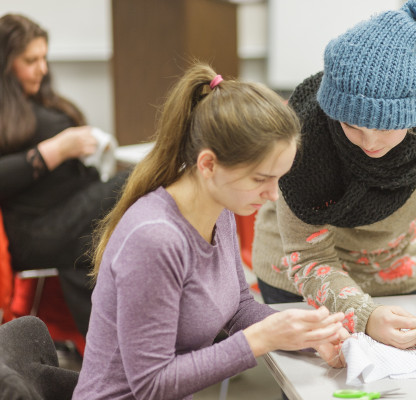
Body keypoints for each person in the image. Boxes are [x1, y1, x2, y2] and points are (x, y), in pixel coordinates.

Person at [73, 62, 348, 399]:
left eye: (279, 178)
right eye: (260, 179)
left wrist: (305, 334)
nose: (273, 195)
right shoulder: (155, 239)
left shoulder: (220, 208)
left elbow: (237, 306)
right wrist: (262, 339)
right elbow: (151, 384)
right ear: (207, 165)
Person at [252, 0, 416, 350]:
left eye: (388, 127)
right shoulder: (303, 130)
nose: (370, 142)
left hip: (395, 272)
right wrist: (362, 315)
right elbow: (308, 254)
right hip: (296, 273)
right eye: (351, 125)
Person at [0, 14, 128, 336]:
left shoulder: (38, 99)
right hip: (35, 230)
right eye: (31, 60)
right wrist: (55, 151)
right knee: (139, 179)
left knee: (90, 252)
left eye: (44, 58)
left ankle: (120, 344)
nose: (42, 69)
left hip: (68, 214)